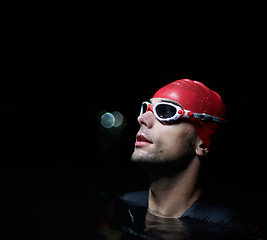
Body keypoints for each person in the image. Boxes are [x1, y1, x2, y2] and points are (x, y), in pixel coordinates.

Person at [102, 79, 257, 239]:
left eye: (166, 111)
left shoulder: (231, 231)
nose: (141, 119)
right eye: (145, 108)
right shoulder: (119, 205)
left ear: (202, 144)